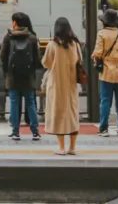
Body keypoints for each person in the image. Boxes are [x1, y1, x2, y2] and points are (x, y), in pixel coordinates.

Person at [43, 17, 81, 155]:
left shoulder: (52, 45)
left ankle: (61, 148)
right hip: (71, 85)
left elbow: (46, 63)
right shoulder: (75, 44)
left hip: (56, 84)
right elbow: (79, 61)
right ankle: (72, 147)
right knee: (71, 114)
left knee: (58, 114)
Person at [1, 12, 41, 140]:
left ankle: (15, 131)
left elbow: (3, 55)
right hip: (28, 76)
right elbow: (37, 58)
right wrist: (31, 70)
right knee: (30, 103)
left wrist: (7, 70)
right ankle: (35, 131)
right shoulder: (32, 37)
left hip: (13, 76)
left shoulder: (9, 36)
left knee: (14, 102)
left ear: (15, 23)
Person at [92, 9, 118, 137]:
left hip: (107, 72)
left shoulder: (102, 34)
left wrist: (95, 58)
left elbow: (98, 53)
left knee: (105, 101)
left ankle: (103, 128)